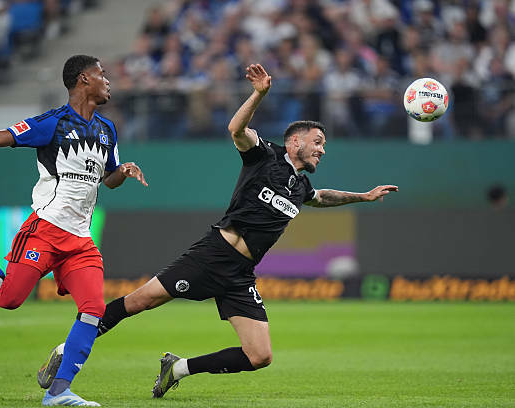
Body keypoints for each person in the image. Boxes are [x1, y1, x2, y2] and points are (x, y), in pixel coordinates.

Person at [37, 63, 398, 399]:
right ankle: (67, 350)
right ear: (295, 142)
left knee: (260, 355)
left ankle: (178, 368)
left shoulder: (300, 187)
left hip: (240, 274)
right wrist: (258, 94)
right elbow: (236, 130)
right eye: (317, 142)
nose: (322, 150)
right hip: (212, 256)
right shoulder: (265, 155)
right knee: (138, 302)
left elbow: (322, 197)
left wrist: (363, 196)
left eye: (324, 145)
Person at [0, 54, 148, 407]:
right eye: (102, 74)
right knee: (7, 299)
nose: (108, 81)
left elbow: (109, 179)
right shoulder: (52, 123)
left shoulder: (107, 130)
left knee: (93, 309)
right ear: (83, 79)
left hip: (81, 241)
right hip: (45, 231)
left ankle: (58, 392)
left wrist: (123, 171)